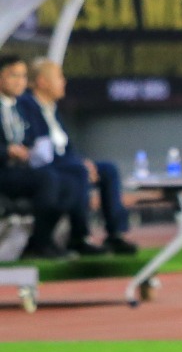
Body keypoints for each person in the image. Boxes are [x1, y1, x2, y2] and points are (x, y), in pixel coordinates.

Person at [17, 58, 135, 255]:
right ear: (42, 82)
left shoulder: (52, 109)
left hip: (67, 163)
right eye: (59, 77)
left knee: (108, 170)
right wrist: (79, 164)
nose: (64, 82)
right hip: (46, 168)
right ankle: (79, 237)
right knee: (79, 171)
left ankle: (116, 233)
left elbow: (65, 146)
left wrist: (81, 162)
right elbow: (40, 150)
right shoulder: (27, 106)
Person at [1, 55, 76, 259]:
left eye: (23, 76)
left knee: (68, 181)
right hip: (4, 172)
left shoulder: (18, 108)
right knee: (48, 179)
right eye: (13, 76)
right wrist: (7, 150)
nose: (20, 81)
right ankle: (41, 243)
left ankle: (44, 240)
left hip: (23, 169)